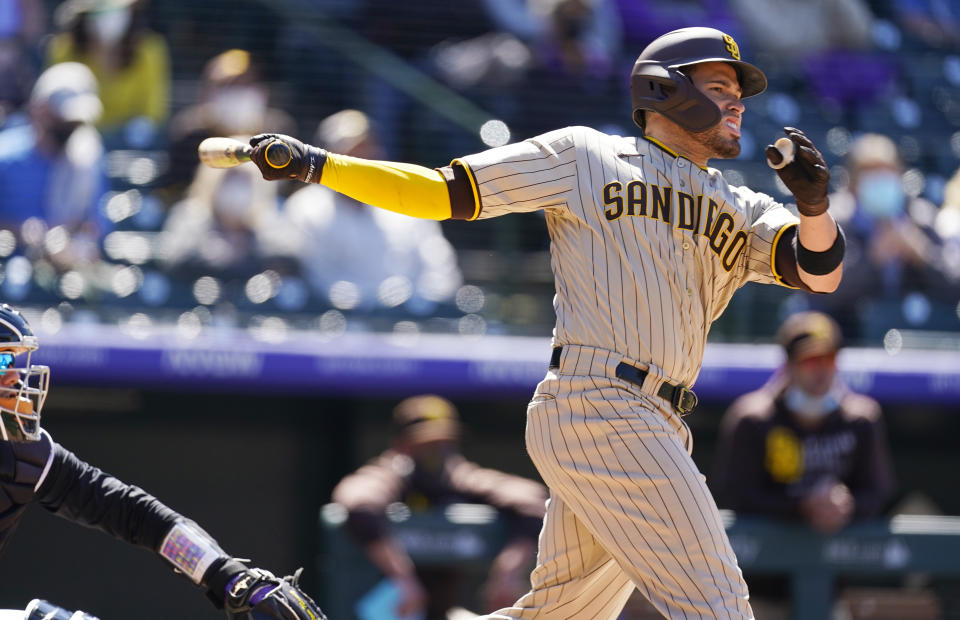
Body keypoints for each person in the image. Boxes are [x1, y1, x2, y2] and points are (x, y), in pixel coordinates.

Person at [246, 26, 846, 618]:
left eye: (739, 91)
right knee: (719, 605)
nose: (738, 101)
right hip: (602, 401)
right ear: (667, 89)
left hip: (655, 417)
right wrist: (320, 166)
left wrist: (814, 206)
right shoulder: (589, 155)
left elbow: (821, 272)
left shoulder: (741, 205)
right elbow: (441, 192)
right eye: (720, 85)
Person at [0, 303, 326, 619]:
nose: (15, 378)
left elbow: (133, 514)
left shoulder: (23, 452)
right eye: (3, 362)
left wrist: (225, 575)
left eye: (15, 361)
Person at [331, 394, 547, 620]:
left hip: (446, 608)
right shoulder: (392, 472)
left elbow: (532, 501)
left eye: (445, 442)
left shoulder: (458, 476)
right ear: (402, 444)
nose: (439, 452)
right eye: (428, 444)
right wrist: (403, 578)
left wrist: (508, 571)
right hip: (387, 609)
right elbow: (358, 503)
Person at [714, 311, 896, 532]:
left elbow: (878, 492)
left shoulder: (861, 419)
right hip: (768, 554)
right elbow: (736, 495)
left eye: (828, 359)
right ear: (789, 366)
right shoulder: (753, 420)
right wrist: (802, 507)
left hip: (842, 555)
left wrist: (846, 505)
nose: (821, 371)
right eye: (810, 361)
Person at [283, 109, 463, 314]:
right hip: (332, 322)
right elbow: (314, 276)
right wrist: (365, 303)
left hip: (408, 324)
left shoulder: (408, 199)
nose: (360, 159)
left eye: (367, 149)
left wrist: (417, 303)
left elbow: (440, 269)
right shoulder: (305, 207)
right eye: (350, 152)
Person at [804, 132, 954, 341]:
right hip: (846, 339)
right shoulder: (832, 221)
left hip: (919, 341)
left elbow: (953, 284)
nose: (881, 182)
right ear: (853, 182)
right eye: (871, 174)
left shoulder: (922, 217)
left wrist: (922, 254)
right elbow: (821, 291)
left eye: (887, 173)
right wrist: (872, 259)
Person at [0, 61, 111, 278]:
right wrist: (20, 232)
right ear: (39, 109)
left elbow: (97, 227)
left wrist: (70, 243)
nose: (70, 127)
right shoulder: (5, 156)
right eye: (63, 119)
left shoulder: (88, 159)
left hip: (67, 282)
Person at [47, 0, 170, 146]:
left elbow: (154, 108)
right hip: (73, 139)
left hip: (128, 144)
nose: (108, 18)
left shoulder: (150, 49)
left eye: (115, 11)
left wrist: (143, 125)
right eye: (101, 11)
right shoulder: (63, 48)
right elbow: (53, 101)